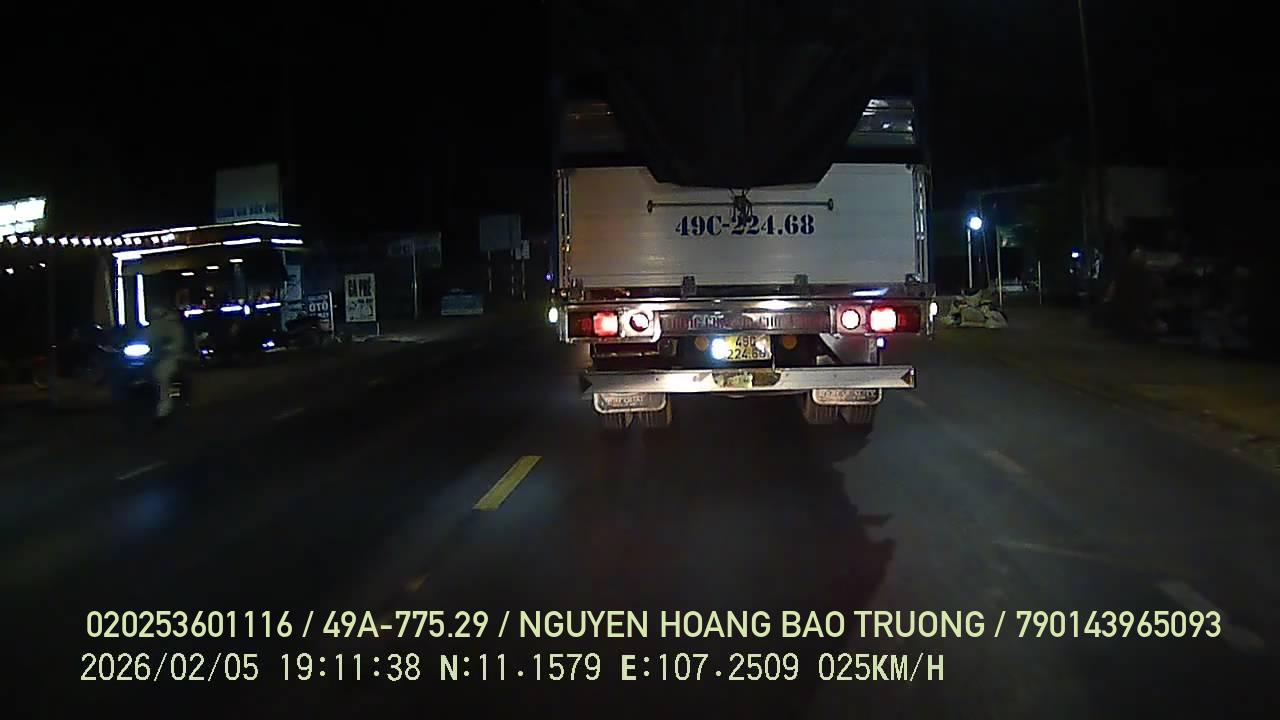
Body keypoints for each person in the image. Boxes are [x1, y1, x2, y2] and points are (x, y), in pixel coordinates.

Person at [145, 301, 188, 419]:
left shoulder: (173, 326)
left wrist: (167, 349)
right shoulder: (150, 328)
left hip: (169, 358)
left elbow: (178, 342)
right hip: (152, 358)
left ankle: (164, 408)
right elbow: (143, 339)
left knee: (162, 377)